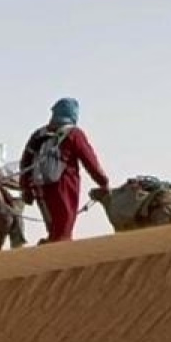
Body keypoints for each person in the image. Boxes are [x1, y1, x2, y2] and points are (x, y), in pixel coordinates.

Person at [19, 97, 109, 244]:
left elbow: (25, 163)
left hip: (40, 189)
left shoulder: (38, 134)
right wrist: (103, 182)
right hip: (64, 186)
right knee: (63, 233)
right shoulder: (74, 134)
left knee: (54, 229)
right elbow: (89, 160)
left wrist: (26, 189)